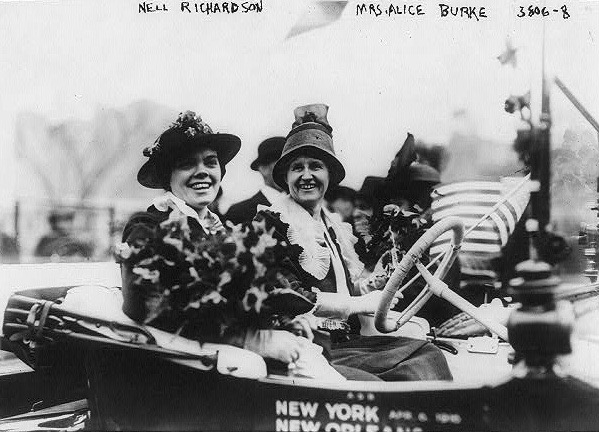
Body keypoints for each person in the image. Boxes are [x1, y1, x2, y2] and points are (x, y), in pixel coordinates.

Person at [254, 104, 452, 381]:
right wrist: (361, 304)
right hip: (310, 346)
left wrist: (370, 286)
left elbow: (343, 288)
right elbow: (288, 295)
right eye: (297, 168)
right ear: (286, 177)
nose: (306, 176)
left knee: (428, 354)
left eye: (316, 166)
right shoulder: (272, 222)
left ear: (329, 176)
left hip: (347, 342)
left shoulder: (331, 224)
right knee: (386, 383)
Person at [120, 111, 309, 365]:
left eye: (210, 162)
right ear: (167, 176)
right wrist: (251, 339)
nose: (202, 172)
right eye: (187, 164)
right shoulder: (147, 227)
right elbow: (144, 304)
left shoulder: (223, 232)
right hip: (180, 371)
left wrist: (282, 319)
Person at [225, 137, 286, 225]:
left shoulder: (301, 205)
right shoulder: (240, 212)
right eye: (281, 165)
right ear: (263, 169)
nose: (288, 171)